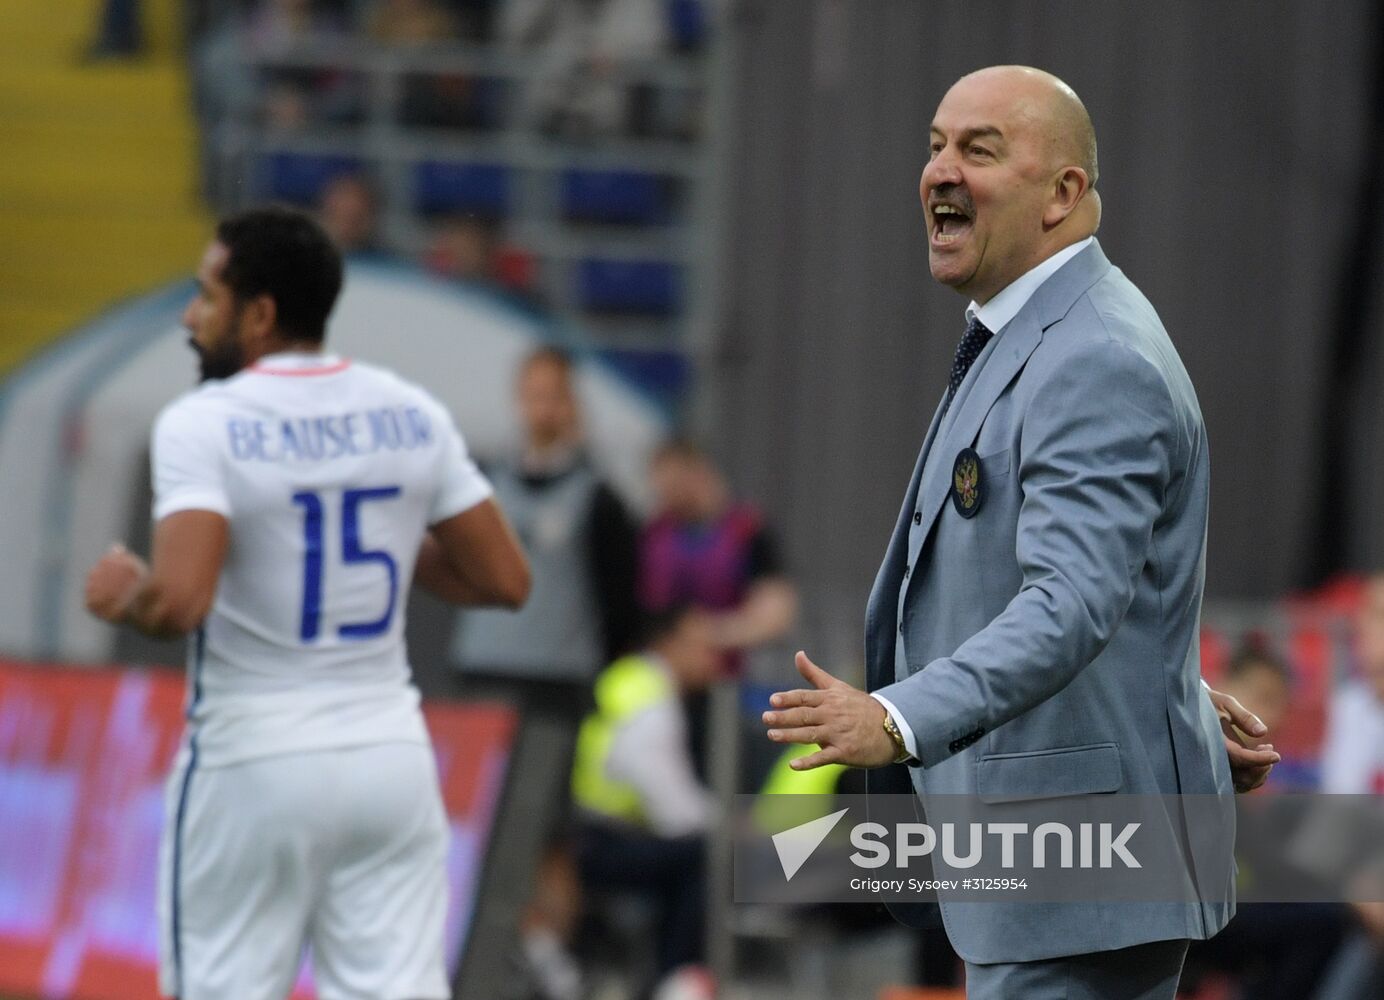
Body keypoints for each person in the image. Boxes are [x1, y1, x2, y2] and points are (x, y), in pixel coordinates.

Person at [761, 66, 1278, 999]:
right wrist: (1168, 697)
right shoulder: (1034, 335)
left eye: (980, 150)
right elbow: (1094, 579)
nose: (941, 171)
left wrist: (896, 715)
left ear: (1063, 195)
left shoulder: (1095, 358)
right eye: (934, 146)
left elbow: (1072, 599)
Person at [83, 206, 530, 1000]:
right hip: (388, 760)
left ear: (258, 315)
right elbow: (505, 580)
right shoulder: (407, 409)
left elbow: (180, 603)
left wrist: (126, 598)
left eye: (206, 297)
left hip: (254, 764)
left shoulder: (205, 421)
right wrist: (394, 544)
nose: (191, 317)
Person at [451, 346, 639, 686]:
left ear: (573, 403)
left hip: (558, 677)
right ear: (518, 398)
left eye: (553, 395)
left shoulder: (599, 498)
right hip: (484, 666)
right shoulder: (480, 484)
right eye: (534, 395)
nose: (543, 409)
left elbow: (619, 597)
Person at [569, 605, 720, 996]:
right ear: (670, 642)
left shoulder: (632, 679)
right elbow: (671, 804)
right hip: (601, 840)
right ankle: (675, 979)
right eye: (702, 645)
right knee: (707, 856)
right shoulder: (652, 695)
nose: (713, 657)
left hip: (592, 834)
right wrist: (725, 829)